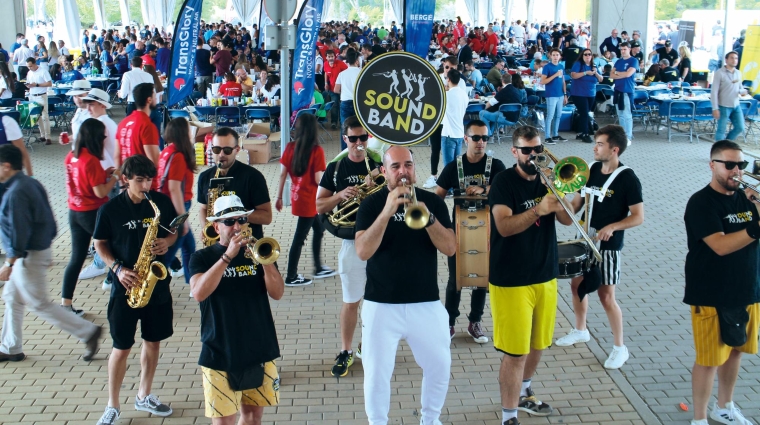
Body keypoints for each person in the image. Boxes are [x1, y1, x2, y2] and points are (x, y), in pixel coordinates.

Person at [355, 145, 456, 425]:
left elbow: (450, 248)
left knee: (440, 365)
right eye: (396, 167)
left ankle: (430, 419)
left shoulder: (432, 202)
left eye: (408, 165)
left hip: (425, 301)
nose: (403, 172)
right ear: (385, 171)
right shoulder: (372, 204)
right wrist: (387, 212)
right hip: (381, 304)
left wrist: (429, 218)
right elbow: (362, 251)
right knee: (376, 372)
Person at [489, 125, 573, 425]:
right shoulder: (503, 182)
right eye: (527, 150)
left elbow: (566, 219)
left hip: (545, 274)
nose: (534, 155)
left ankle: (524, 393)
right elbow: (504, 227)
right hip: (511, 279)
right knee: (515, 353)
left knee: (539, 344)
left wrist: (562, 191)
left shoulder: (547, 180)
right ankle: (508, 416)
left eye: (538, 149)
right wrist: (539, 209)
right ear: (515, 152)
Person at [93, 155, 178, 425]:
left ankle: (144, 394)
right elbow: (100, 244)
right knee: (121, 347)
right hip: (125, 285)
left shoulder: (160, 202)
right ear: (125, 179)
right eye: (139, 180)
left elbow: (174, 232)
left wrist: (167, 242)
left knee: (153, 342)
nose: (145, 185)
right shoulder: (110, 210)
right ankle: (112, 405)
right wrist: (117, 269)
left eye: (149, 179)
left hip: (156, 286)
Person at [0, 144, 101, 363]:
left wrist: (9, 262)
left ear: (6, 166)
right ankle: (10, 346)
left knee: (39, 304)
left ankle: (88, 332)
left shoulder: (16, 194)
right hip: (35, 252)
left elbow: (19, 231)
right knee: (11, 297)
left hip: (27, 256)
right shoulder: (31, 184)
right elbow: (49, 221)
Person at [188, 194, 284, 425]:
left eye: (241, 219)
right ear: (216, 226)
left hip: (259, 345)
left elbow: (277, 293)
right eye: (230, 221)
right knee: (224, 422)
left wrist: (268, 264)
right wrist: (227, 256)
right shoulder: (201, 258)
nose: (237, 226)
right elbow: (199, 293)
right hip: (219, 349)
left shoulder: (259, 252)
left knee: (253, 417)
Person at [556, 124, 644, 370]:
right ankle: (580, 329)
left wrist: (614, 227)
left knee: (606, 296)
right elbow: (576, 206)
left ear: (614, 149)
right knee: (576, 286)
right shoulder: (592, 170)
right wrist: (560, 198)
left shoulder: (628, 178)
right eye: (595, 142)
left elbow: (638, 216)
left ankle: (619, 347)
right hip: (583, 237)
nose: (594, 147)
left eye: (600, 144)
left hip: (609, 244)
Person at [684, 140, 759, 425]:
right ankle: (700, 418)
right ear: (713, 165)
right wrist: (755, 227)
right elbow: (720, 245)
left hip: (748, 287)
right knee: (709, 359)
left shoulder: (748, 198)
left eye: (741, 165)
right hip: (711, 291)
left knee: (736, 349)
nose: (737, 171)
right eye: (729, 165)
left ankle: (725, 406)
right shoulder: (701, 203)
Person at [316, 116, 381, 377]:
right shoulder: (336, 168)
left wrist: (376, 179)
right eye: (353, 139)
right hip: (352, 241)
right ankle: (346, 350)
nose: (358, 144)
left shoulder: (377, 163)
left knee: (378, 302)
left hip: (380, 240)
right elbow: (319, 206)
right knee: (351, 301)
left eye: (363, 138)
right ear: (345, 139)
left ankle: (371, 345)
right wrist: (340, 195)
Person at [435, 120, 506, 342]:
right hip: (459, 232)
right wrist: (445, 226)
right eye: (476, 138)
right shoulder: (453, 166)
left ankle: (475, 322)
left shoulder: (496, 166)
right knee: (455, 279)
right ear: (466, 139)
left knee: (482, 278)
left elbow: (505, 188)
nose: (481, 142)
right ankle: (448, 323)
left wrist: (485, 188)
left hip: (487, 232)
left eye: (485, 138)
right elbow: (437, 196)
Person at [61, 118, 119, 316]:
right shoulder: (91, 160)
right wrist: (115, 178)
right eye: (103, 137)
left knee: (76, 258)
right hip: (92, 212)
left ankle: (66, 304)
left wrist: (105, 173)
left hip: (74, 212)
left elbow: (82, 180)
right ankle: (117, 291)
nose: (105, 140)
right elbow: (100, 192)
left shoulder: (71, 156)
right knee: (115, 249)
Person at [275, 114, 336, 287]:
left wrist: (279, 197)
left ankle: (318, 267)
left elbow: (282, 174)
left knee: (319, 228)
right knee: (299, 238)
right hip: (311, 200)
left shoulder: (289, 147)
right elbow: (318, 179)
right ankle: (291, 276)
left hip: (298, 196)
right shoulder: (317, 151)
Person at [197, 127, 272, 242]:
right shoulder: (204, 177)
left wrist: (236, 215)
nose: (221, 154)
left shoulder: (253, 177)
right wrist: (205, 227)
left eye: (227, 150)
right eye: (216, 149)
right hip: (219, 244)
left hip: (246, 244)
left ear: (237, 150)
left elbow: (267, 217)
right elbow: (203, 208)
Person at [157, 118, 197, 282]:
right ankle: (153, 282)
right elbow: (174, 188)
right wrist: (183, 220)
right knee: (170, 252)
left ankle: (192, 282)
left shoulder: (166, 151)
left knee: (189, 247)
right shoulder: (178, 156)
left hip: (169, 205)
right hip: (176, 208)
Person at [116, 82, 160, 175]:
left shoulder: (122, 123)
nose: (157, 99)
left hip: (127, 180)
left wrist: (121, 183)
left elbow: (116, 156)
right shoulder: (147, 126)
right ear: (149, 100)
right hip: (143, 181)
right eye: (155, 96)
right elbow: (154, 162)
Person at [711, 51, 746, 142]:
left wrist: (743, 91)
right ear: (726, 60)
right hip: (723, 106)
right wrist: (715, 108)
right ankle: (718, 152)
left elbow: (740, 87)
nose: (734, 60)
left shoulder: (738, 73)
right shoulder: (720, 73)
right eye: (732, 58)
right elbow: (714, 91)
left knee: (740, 127)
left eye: (736, 58)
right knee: (721, 130)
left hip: (736, 105)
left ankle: (727, 144)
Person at [570, 48, 603, 144]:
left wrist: (595, 72)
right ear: (582, 56)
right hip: (579, 93)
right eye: (585, 54)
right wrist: (585, 73)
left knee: (585, 112)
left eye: (589, 54)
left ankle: (580, 132)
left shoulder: (594, 65)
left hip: (591, 93)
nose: (588, 56)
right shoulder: (578, 64)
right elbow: (573, 75)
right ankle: (585, 133)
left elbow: (601, 79)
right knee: (584, 113)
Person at [479, 73, 522, 137]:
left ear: (502, 81)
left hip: (504, 117)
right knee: (495, 114)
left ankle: (488, 134)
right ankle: (491, 133)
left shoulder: (504, 91)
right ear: (510, 80)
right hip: (515, 118)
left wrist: (484, 108)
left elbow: (490, 103)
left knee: (482, 113)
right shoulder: (516, 90)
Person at [334, 49, 361, 150]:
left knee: (345, 127)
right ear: (356, 61)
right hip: (358, 103)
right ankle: (359, 147)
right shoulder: (361, 73)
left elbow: (336, 90)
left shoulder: (342, 74)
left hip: (345, 103)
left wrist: (345, 92)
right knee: (359, 127)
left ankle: (345, 150)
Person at [441, 69, 469, 167]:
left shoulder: (446, 96)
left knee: (448, 168)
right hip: (459, 133)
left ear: (448, 79)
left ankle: (449, 183)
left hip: (448, 134)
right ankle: (457, 182)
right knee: (458, 166)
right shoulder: (464, 95)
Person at [611, 42, 638, 142]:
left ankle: (629, 137)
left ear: (629, 49)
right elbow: (611, 75)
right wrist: (621, 73)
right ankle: (623, 136)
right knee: (620, 115)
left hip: (627, 90)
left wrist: (617, 73)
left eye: (624, 49)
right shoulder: (618, 61)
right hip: (618, 90)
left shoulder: (633, 61)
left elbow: (628, 74)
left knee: (627, 115)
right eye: (621, 49)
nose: (622, 51)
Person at [540, 49, 568, 145]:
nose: (555, 57)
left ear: (560, 56)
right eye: (554, 55)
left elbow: (563, 81)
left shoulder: (561, 66)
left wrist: (565, 94)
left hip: (560, 94)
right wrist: (555, 75)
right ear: (550, 56)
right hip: (551, 94)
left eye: (557, 55)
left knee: (558, 115)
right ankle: (547, 136)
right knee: (550, 115)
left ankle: (555, 134)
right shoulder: (547, 67)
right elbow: (543, 81)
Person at [24, 57, 52, 144]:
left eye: (31, 66)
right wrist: (28, 86)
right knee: (37, 117)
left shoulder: (43, 71)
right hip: (32, 95)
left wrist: (36, 85)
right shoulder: (29, 73)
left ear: (35, 63)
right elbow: (30, 83)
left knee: (45, 117)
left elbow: (49, 83)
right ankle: (42, 135)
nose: (29, 68)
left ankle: (48, 137)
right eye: (28, 66)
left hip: (41, 95)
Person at [323, 50, 347, 130]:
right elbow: (326, 73)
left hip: (342, 90)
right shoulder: (325, 64)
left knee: (342, 105)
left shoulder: (341, 64)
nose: (331, 58)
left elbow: (347, 73)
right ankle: (334, 122)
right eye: (329, 57)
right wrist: (326, 83)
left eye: (332, 56)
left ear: (335, 56)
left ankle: (342, 123)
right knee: (334, 105)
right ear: (326, 57)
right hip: (332, 89)